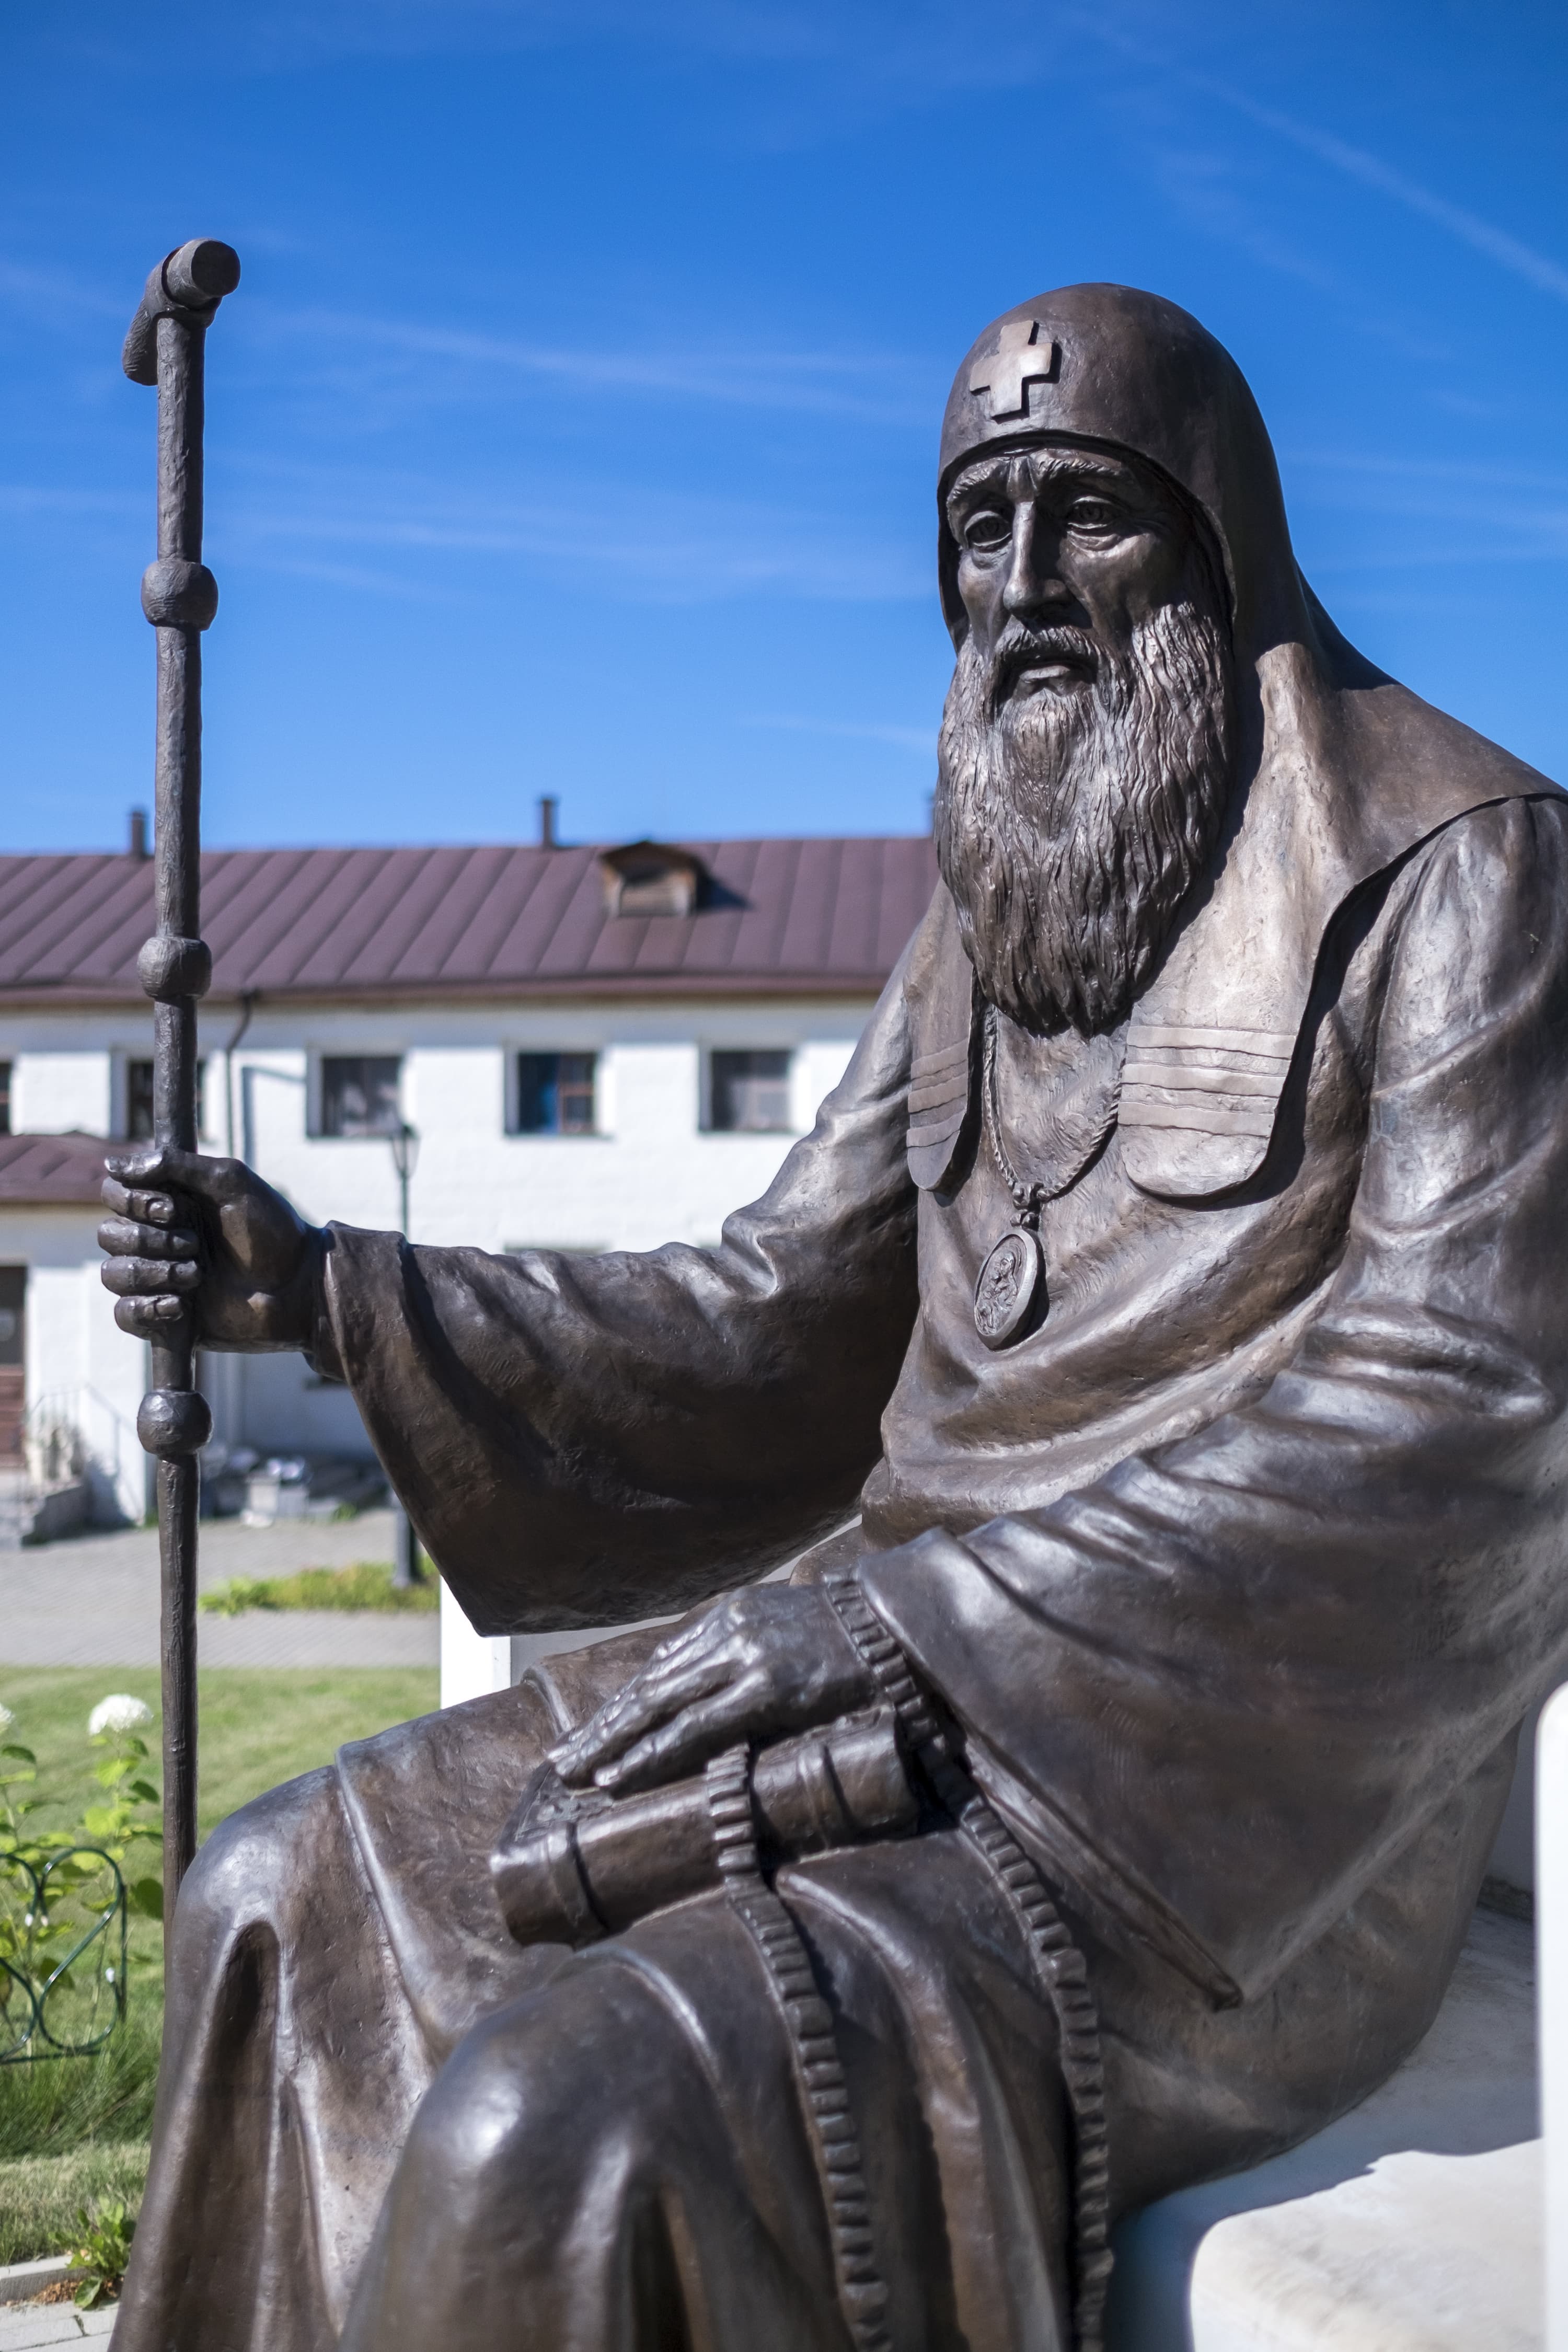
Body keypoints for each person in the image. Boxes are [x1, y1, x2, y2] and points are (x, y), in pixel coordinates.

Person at [99, 284, 1568, 2352]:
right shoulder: (992, 896)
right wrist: (341, 1294)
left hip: (1217, 1800)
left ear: (1219, 541)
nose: (1023, 585)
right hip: (865, 1682)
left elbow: (1469, 1403)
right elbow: (782, 1303)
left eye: (1088, 515)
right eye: (979, 528)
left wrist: (919, 1625)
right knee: (274, 1896)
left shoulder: (1467, 861)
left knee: (558, 2129)